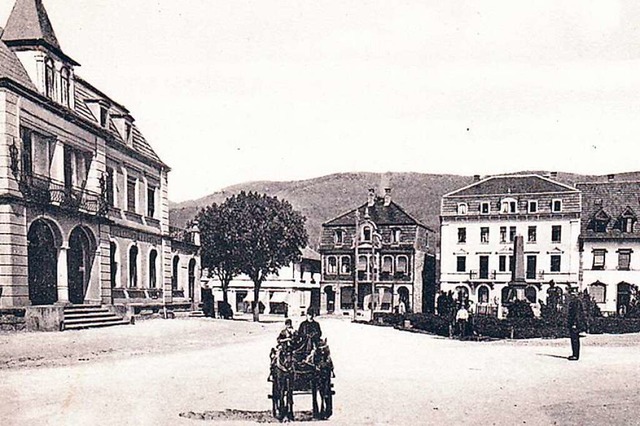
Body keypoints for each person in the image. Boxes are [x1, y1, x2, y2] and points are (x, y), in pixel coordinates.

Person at [567, 287, 586, 361]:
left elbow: (577, 313)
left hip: (575, 323)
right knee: (574, 339)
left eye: (573, 293)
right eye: (571, 293)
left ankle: (575, 355)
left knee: (575, 339)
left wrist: (574, 323)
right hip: (573, 323)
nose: (572, 295)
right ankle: (574, 354)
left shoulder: (576, 302)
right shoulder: (574, 301)